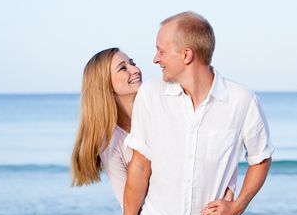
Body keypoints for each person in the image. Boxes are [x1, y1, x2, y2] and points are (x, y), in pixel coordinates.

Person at [121, 12, 274, 215]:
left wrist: (238, 205)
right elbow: (140, 164)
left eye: (161, 51)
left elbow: (261, 158)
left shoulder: (242, 101)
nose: (155, 59)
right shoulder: (151, 95)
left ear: (187, 54)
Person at [71, 47, 236, 206]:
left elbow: (217, 142)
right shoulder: (111, 143)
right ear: (104, 84)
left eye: (132, 63)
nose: (135, 70)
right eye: (123, 68)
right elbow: (128, 205)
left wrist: (229, 189)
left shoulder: (165, 102)